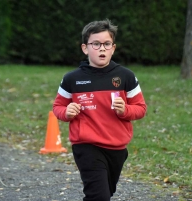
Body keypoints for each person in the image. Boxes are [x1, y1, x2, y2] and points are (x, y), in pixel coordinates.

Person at [53, 19, 147, 201]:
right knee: (99, 196)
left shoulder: (126, 76)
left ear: (113, 48)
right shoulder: (72, 79)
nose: (101, 48)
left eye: (106, 44)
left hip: (117, 147)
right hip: (86, 145)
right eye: (96, 44)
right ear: (85, 48)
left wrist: (125, 110)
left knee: (106, 192)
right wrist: (67, 112)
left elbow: (141, 109)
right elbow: (58, 106)